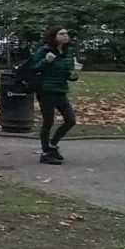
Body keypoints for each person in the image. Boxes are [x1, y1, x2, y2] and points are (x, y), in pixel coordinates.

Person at [23, 27, 79, 164]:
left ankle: (52, 145)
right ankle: (45, 153)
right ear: (54, 36)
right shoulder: (44, 50)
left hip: (60, 90)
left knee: (70, 120)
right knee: (48, 121)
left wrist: (74, 75)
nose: (65, 36)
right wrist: (45, 61)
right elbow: (33, 68)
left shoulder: (67, 53)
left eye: (66, 33)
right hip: (45, 90)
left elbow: (67, 73)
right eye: (62, 34)